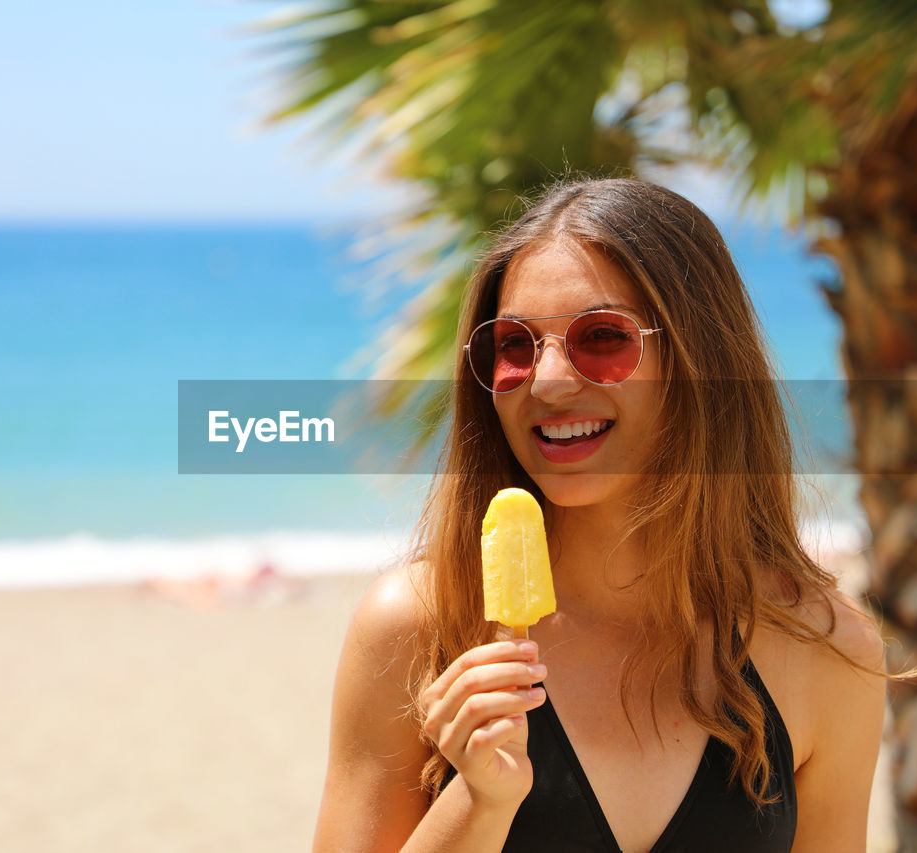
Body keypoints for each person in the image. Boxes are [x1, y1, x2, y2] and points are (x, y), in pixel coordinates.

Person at [312, 178, 886, 852]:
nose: (548, 381)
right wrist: (477, 799)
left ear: (700, 358)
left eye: (603, 338)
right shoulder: (414, 627)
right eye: (515, 346)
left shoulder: (825, 649)